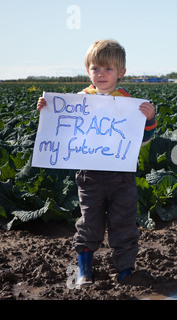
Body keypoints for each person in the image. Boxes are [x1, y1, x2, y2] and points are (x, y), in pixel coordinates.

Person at [37, 39, 157, 287]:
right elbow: (61, 130)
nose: (101, 74)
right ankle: (84, 271)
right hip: (89, 176)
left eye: (108, 69)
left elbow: (143, 142)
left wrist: (149, 120)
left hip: (121, 177)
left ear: (121, 72)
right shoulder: (78, 100)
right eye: (96, 69)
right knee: (88, 224)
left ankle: (125, 272)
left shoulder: (129, 102)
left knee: (124, 225)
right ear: (88, 70)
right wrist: (46, 110)